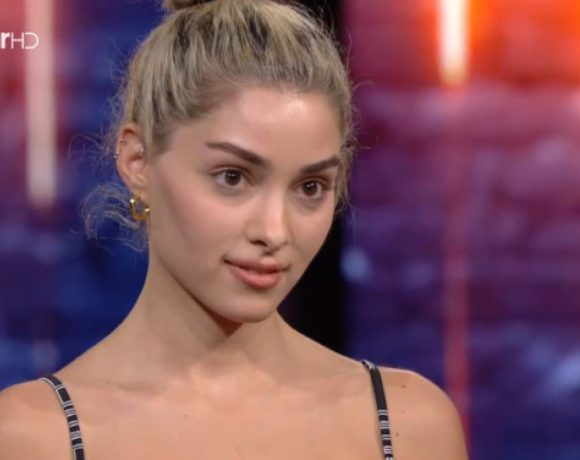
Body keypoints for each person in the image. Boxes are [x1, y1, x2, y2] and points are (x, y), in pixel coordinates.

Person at [0, 0, 468, 458]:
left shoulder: (408, 428)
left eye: (310, 187)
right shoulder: (33, 438)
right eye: (233, 177)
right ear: (138, 160)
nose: (275, 231)